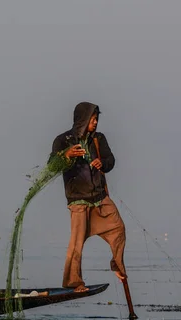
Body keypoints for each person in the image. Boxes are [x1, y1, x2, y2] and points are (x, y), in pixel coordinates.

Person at [50, 101, 127, 293]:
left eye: (97, 119)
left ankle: (117, 264)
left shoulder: (98, 139)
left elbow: (110, 161)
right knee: (76, 243)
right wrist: (66, 155)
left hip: (100, 198)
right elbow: (52, 165)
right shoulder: (63, 140)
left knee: (118, 228)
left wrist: (103, 163)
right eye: (93, 119)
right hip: (78, 200)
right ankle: (73, 282)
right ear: (82, 120)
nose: (95, 123)